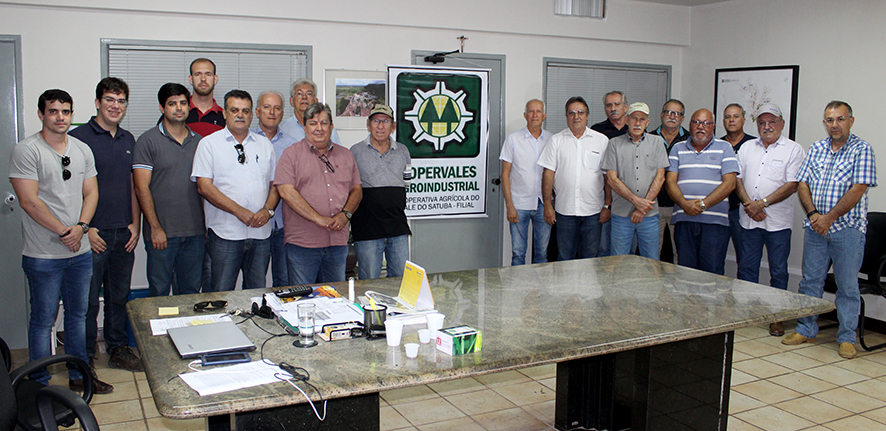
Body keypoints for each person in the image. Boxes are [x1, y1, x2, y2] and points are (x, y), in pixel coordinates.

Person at [8, 89, 113, 393]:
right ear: (41, 114)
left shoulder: (81, 149)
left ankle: (80, 376)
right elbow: (29, 201)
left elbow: (91, 193)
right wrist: (65, 232)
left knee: (78, 316)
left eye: (65, 111)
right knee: (43, 320)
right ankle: (39, 384)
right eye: (53, 111)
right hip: (43, 254)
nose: (60, 117)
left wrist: (81, 228)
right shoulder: (27, 150)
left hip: (79, 251)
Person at [784, 101, 878, 360]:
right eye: (829, 120)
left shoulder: (862, 149)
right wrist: (814, 215)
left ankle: (847, 337)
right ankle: (806, 329)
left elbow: (858, 189)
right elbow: (803, 183)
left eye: (840, 119)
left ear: (851, 121)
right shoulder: (816, 148)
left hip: (848, 230)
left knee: (847, 286)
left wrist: (830, 218)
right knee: (810, 282)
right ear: (824, 123)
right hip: (815, 228)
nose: (834, 125)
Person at [67, 77, 142, 372]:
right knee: (86, 301)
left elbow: (133, 186)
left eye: (121, 101)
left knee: (118, 297)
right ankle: (84, 357)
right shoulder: (78, 139)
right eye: (110, 100)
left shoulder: (128, 139)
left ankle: (118, 348)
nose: (115, 106)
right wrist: (87, 227)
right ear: (97, 102)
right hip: (92, 234)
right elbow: (71, 190)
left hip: (124, 232)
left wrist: (135, 224)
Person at [192, 90, 278, 292]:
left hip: (260, 234)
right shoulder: (209, 144)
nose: (240, 115)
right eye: (234, 110)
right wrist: (239, 211)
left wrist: (267, 211)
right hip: (225, 234)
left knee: (256, 293)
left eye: (245, 111)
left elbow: (275, 184)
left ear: (252, 114)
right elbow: (204, 187)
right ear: (224, 113)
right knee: (221, 293)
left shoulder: (264, 144)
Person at [733, 103, 804, 337]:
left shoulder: (793, 150)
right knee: (747, 268)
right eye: (762, 122)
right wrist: (749, 205)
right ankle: (745, 313)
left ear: (781, 123)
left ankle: (777, 317)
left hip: (778, 223)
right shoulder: (746, 148)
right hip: (749, 219)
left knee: (779, 271)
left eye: (772, 122)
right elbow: (737, 180)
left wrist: (761, 204)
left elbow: (792, 185)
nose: (767, 126)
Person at [275, 103, 362, 284]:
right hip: (303, 244)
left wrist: (345, 215)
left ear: (331, 126)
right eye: (313, 123)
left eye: (324, 123)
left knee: (335, 295)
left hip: (337, 243)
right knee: (303, 296)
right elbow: (286, 191)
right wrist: (318, 219)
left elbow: (356, 190)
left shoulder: (346, 155)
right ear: (304, 127)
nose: (319, 128)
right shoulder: (291, 155)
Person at [134, 83, 206, 297]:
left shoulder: (200, 142)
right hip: (162, 234)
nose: (179, 108)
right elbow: (141, 187)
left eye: (183, 103)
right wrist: (155, 228)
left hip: (195, 234)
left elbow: (205, 188)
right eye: (172, 104)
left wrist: (206, 228)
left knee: (190, 294)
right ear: (162, 107)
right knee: (159, 294)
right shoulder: (147, 141)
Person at [665, 109, 738, 275]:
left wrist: (703, 205)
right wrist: (685, 205)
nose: (700, 127)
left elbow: (730, 183)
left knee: (712, 272)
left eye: (706, 123)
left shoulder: (725, 147)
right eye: (696, 122)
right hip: (684, 219)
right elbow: (670, 182)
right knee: (685, 272)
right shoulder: (677, 148)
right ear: (690, 125)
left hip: (715, 223)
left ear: (713, 127)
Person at [538, 96, 611, 260]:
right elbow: (548, 174)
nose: (576, 116)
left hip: (593, 212)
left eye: (580, 112)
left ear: (587, 115)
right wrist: (548, 205)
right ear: (566, 116)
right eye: (571, 113)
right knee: (565, 258)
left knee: (590, 258)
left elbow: (608, 177)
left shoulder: (601, 141)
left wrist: (607, 205)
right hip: (565, 211)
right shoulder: (556, 141)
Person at [351, 105, 412, 279]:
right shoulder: (355, 152)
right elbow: (350, 188)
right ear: (368, 124)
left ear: (393, 126)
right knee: (369, 282)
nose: (380, 126)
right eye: (376, 121)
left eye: (385, 121)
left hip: (397, 228)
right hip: (367, 230)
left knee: (400, 281)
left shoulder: (403, 151)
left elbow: (406, 183)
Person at [602, 102, 669, 259]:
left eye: (642, 119)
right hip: (621, 215)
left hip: (649, 215)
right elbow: (612, 179)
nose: (637, 123)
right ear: (626, 120)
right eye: (634, 118)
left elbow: (660, 177)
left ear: (648, 122)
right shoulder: (614, 144)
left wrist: (642, 208)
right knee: (619, 261)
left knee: (651, 260)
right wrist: (637, 201)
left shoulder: (657, 142)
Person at [251, 91, 298, 287]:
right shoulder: (246, 141)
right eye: (267, 107)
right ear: (257, 111)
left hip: (283, 224)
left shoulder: (292, 145)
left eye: (277, 108)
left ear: (282, 113)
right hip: (253, 223)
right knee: (254, 282)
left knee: (284, 281)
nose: (272, 112)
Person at [500, 99, 553, 266]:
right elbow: (505, 174)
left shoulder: (552, 140)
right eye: (531, 111)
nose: (534, 115)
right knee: (518, 253)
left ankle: (539, 283)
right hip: (519, 204)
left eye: (538, 111)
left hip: (544, 204)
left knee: (542, 253)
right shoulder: (513, 139)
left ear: (544, 115)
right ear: (525, 115)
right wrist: (509, 205)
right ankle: (517, 284)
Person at [651, 99, 690, 262]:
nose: (672, 116)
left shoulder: (690, 140)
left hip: (680, 205)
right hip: (653, 204)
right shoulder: (649, 138)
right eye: (668, 112)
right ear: (662, 115)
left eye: (677, 113)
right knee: (652, 251)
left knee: (680, 250)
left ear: (682, 118)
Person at [591, 91, 628, 257]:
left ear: (625, 107)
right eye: (609, 105)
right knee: (603, 248)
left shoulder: (634, 130)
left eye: (617, 104)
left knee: (626, 250)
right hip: (603, 200)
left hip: (629, 200)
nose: (613, 108)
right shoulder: (597, 132)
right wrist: (606, 204)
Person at [721, 103, 757, 274]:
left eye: (736, 116)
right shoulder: (717, 144)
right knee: (714, 256)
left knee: (745, 259)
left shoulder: (754, 145)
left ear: (743, 119)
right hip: (719, 209)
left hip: (742, 210)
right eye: (728, 117)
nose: (731, 120)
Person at [279, 78, 343, 145]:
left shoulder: (326, 127)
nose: (304, 97)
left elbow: (337, 150)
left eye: (309, 94)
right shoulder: (282, 128)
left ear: (315, 101)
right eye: (299, 94)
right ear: (292, 101)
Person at [185, 58, 225, 137]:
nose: (203, 79)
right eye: (197, 74)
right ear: (190, 79)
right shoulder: (179, 113)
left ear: (215, 79)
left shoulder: (224, 116)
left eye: (208, 74)